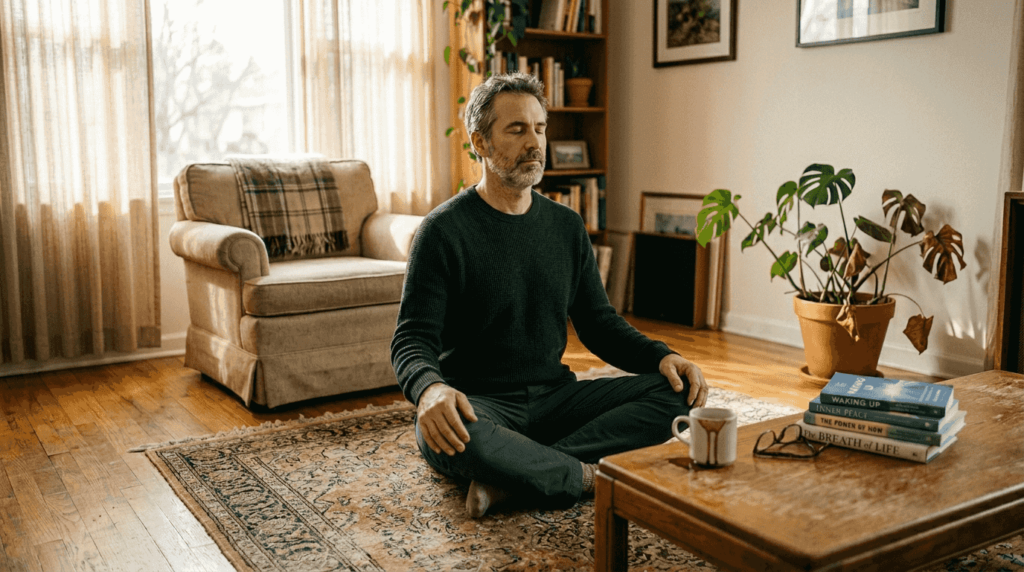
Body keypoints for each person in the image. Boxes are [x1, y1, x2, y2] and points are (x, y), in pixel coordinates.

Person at [390, 72, 708, 518]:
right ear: (480, 142)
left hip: (556, 399)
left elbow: (599, 323)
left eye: (540, 128)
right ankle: (583, 475)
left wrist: (661, 356)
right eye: (517, 129)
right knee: (445, 432)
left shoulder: (566, 226)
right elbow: (411, 339)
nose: (534, 142)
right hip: (481, 403)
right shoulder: (442, 232)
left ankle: (518, 478)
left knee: (677, 395)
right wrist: (430, 390)